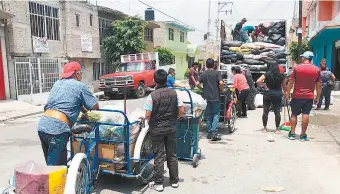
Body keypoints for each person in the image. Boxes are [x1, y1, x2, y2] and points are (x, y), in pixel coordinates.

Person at [37, 61, 99, 166]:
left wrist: (80, 107)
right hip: (57, 130)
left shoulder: (57, 83)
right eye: (81, 73)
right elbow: (95, 107)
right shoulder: (80, 86)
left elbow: (61, 103)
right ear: (77, 74)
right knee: (58, 169)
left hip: (43, 126)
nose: (81, 75)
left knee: (50, 164)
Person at [144, 69, 184, 192]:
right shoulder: (174, 93)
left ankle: (159, 183)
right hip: (171, 128)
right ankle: (175, 180)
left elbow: (147, 115)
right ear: (167, 79)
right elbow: (181, 111)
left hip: (156, 130)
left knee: (159, 155)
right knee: (172, 154)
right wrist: (173, 119)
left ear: (155, 80)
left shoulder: (152, 96)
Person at [285, 51, 322, 141]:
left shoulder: (297, 68)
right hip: (309, 97)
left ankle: (292, 134)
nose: (301, 58)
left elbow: (291, 82)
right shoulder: (317, 70)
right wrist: (317, 97)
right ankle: (302, 135)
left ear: (304, 58)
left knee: (294, 114)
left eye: (302, 57)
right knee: (306, 114)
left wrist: (287, 92)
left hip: (297, 96)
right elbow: (319, 85)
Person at [196, 58, 224, 141]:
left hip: (206, 97)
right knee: (215, 114)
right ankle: (214, 133)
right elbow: (221, 83)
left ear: (206, 65)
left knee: (208, 115)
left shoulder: (203, 74)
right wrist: (222, 90)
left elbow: (197, 83)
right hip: (215, 97)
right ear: (214, 65)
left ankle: (209, 133)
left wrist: (202, 89)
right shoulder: (217, 73)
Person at [257, 61, 286, 133]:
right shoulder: (282, 75)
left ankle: (264, 128)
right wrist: (286, 92)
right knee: (277, 112)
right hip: (277, 94)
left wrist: (263, 86)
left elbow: (258, 81)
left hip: (268, 93)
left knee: (265, 111)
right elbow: (284, 87)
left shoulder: (267, 74)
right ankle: (277, 129)